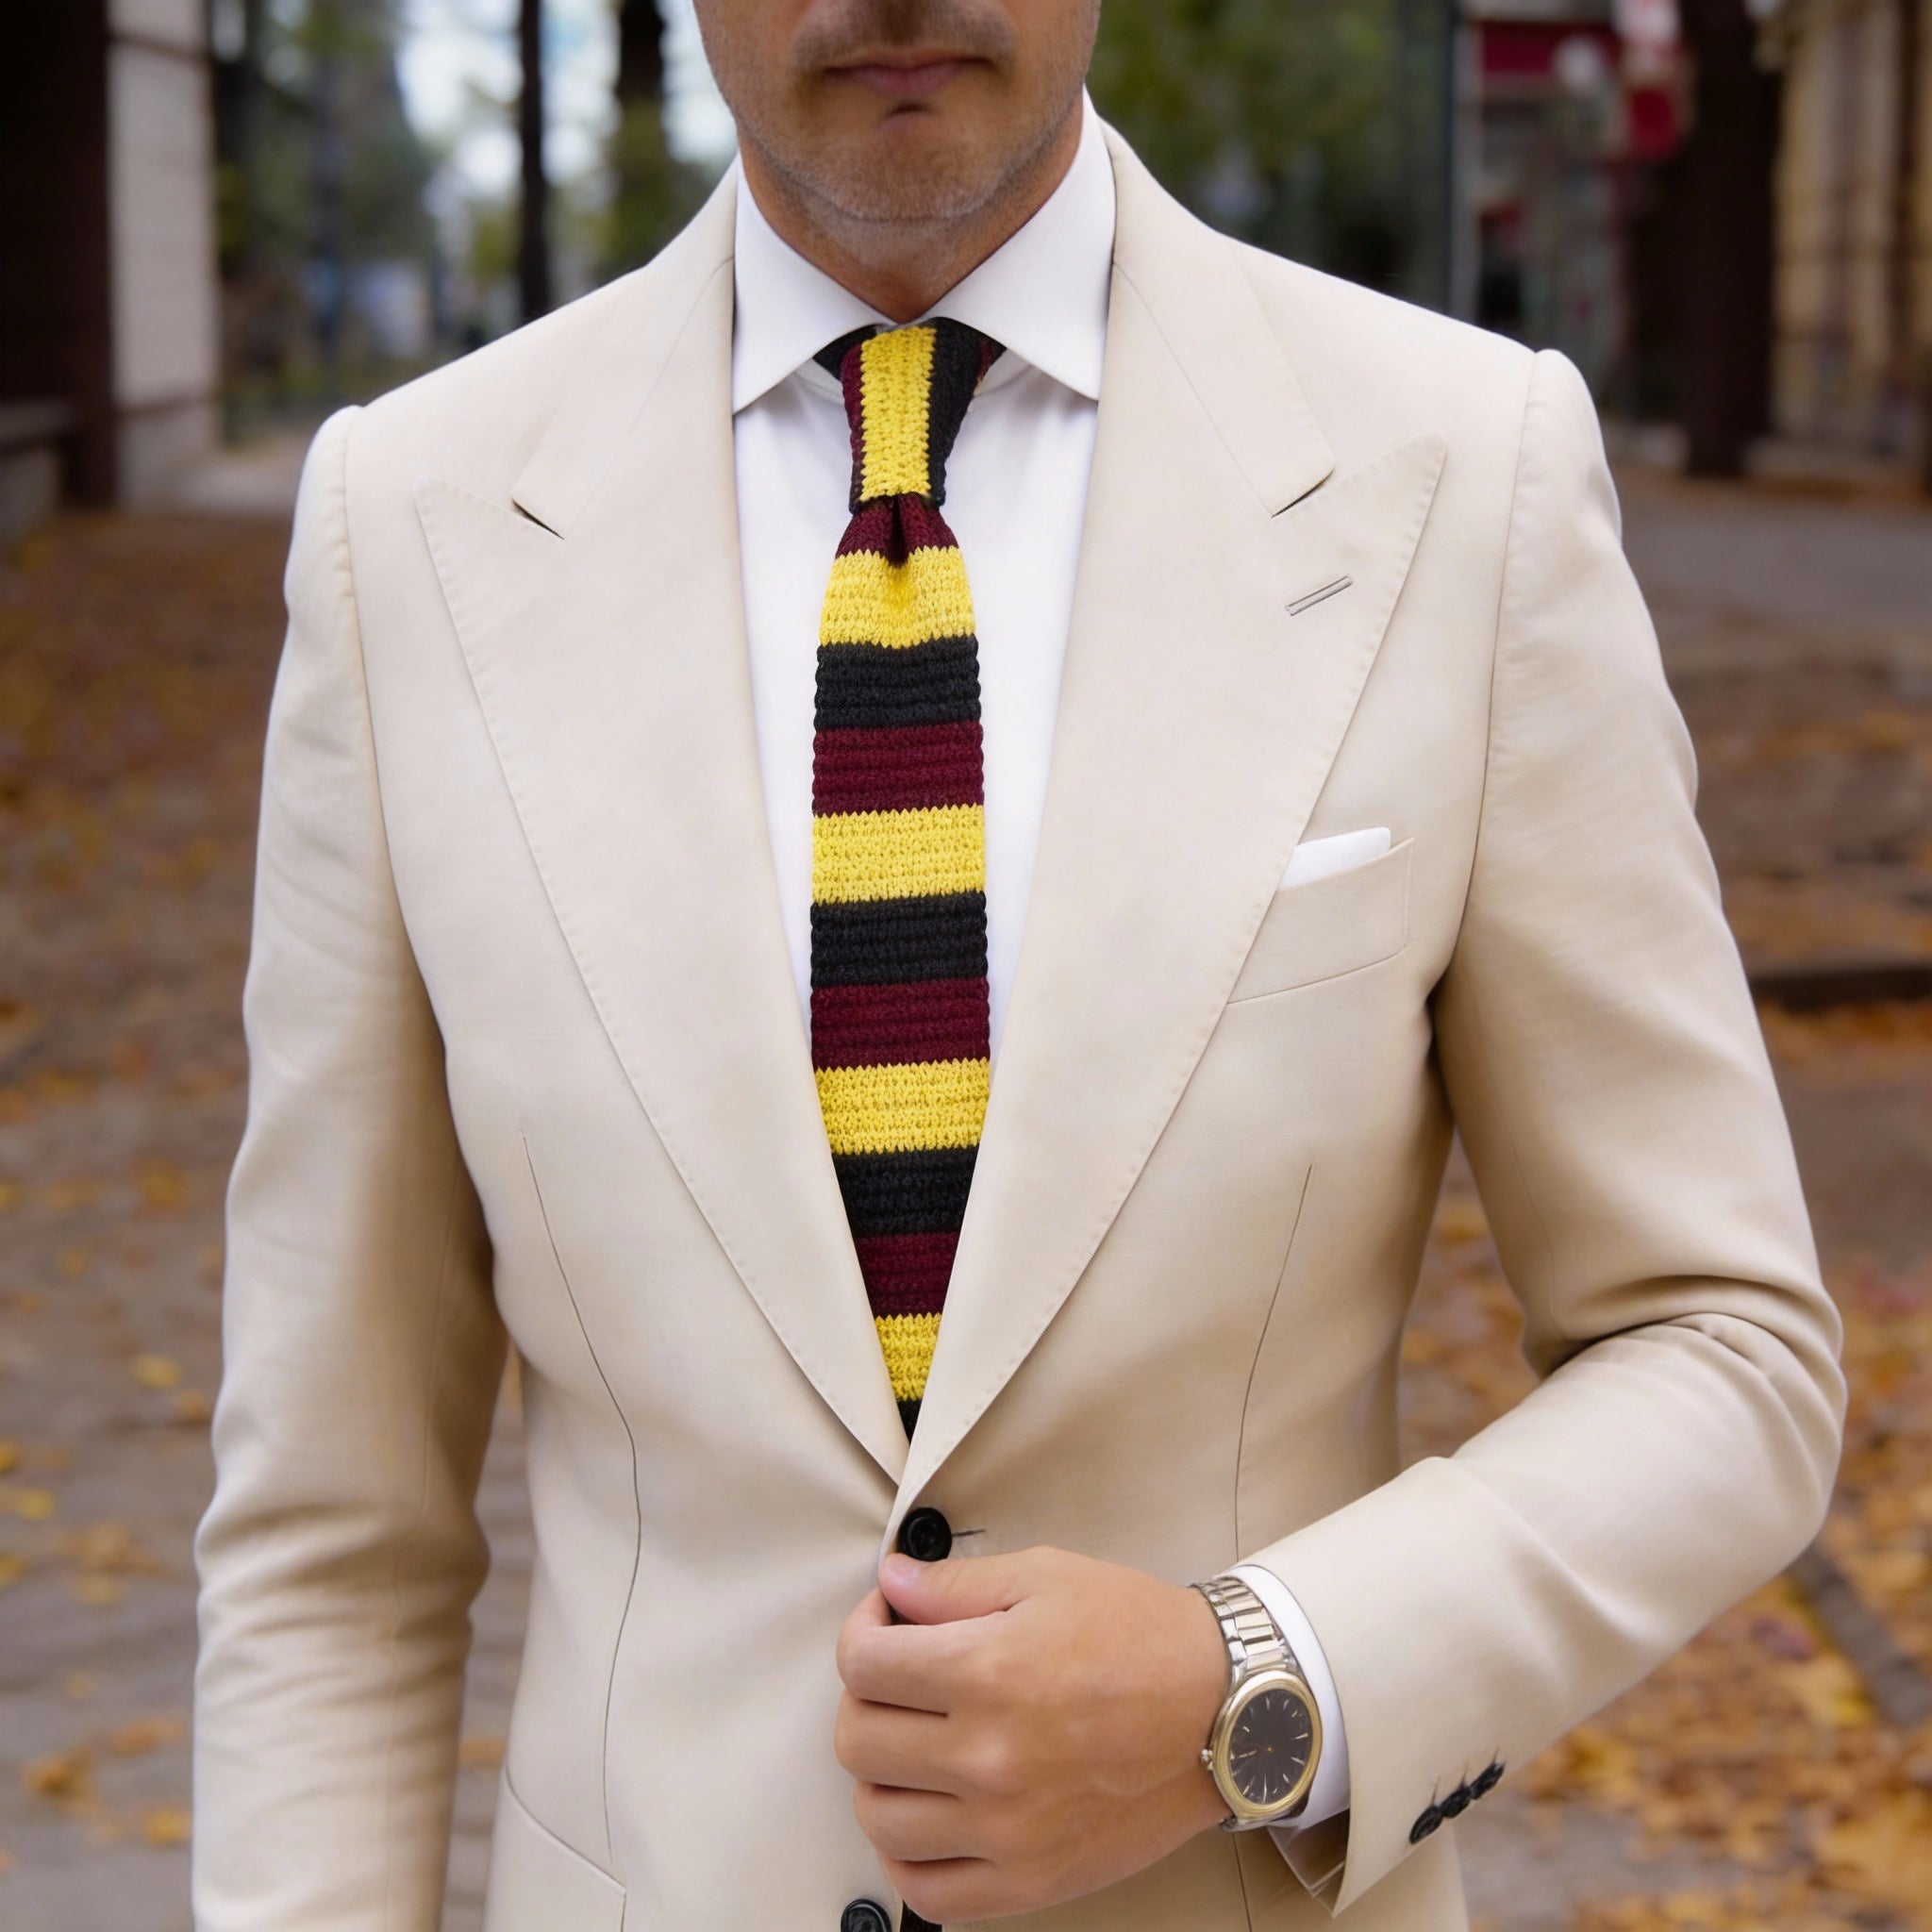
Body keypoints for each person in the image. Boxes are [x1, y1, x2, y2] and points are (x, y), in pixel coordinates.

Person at [191, 1, 1844, 1927]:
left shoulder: (1457, 477)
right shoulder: (409, 532)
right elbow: (332, 1534)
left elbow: (1720, 1347)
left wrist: (1264, 1681)